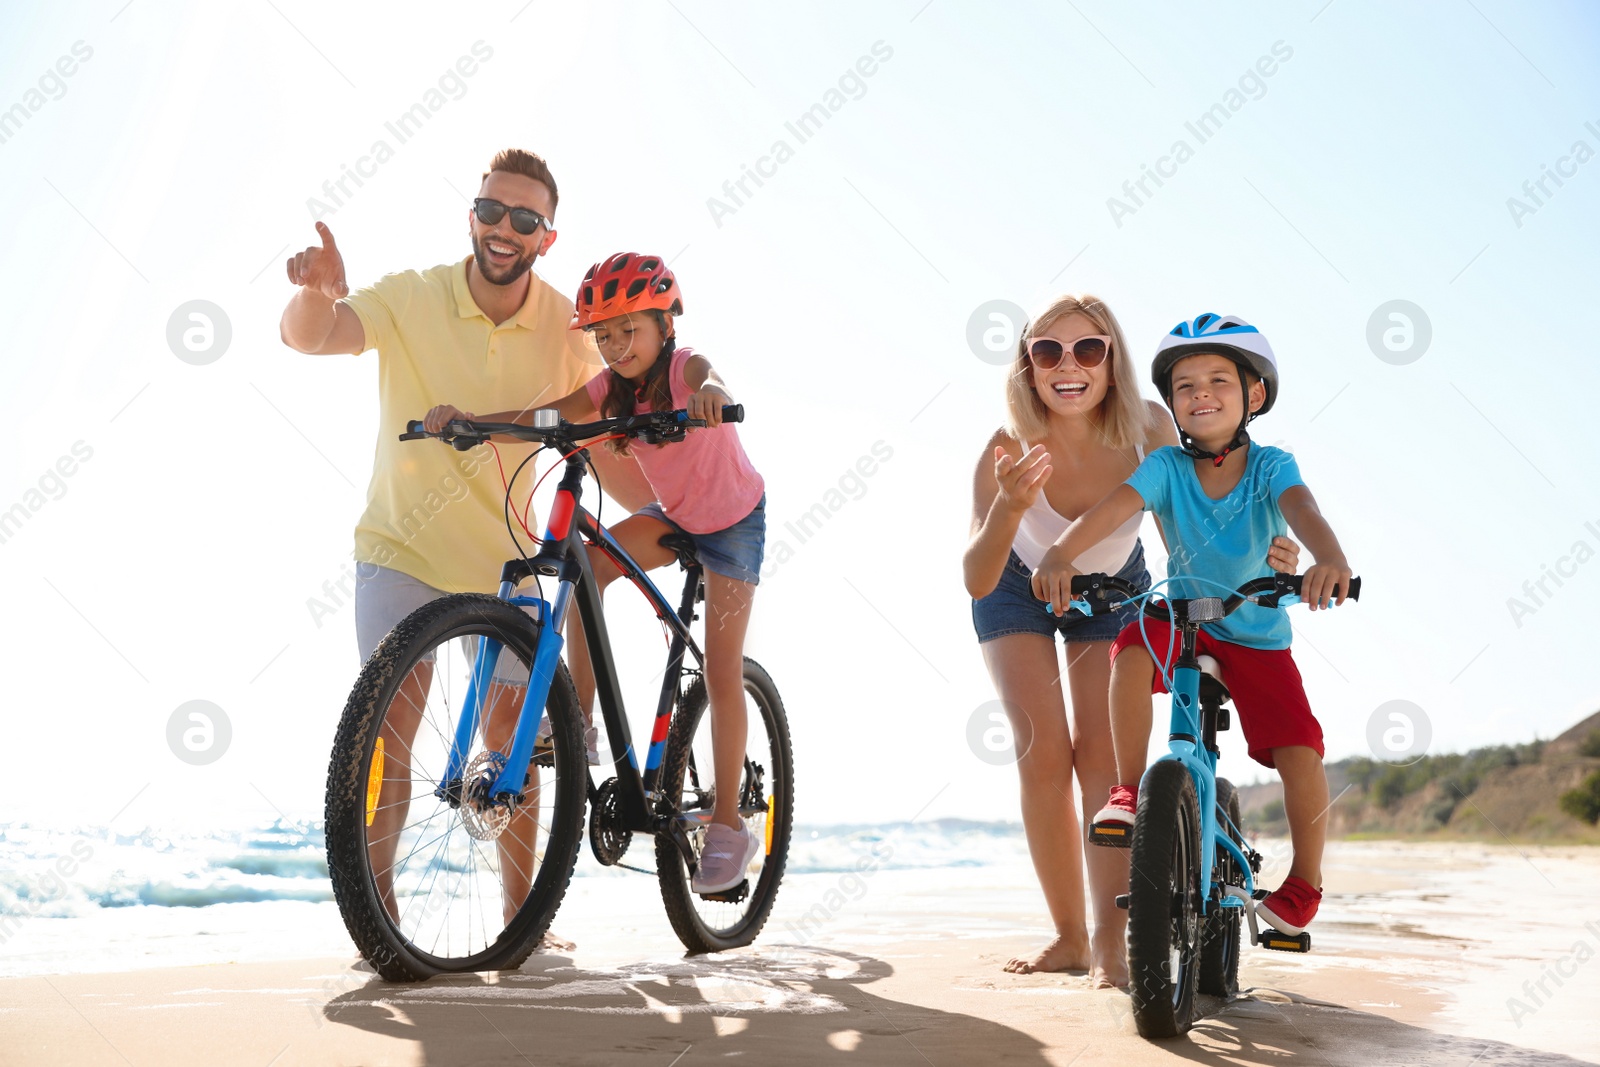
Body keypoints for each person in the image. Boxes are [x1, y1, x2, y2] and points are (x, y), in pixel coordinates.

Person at [279, 148, 653, 926]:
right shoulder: (414, 296)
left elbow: (628, 375)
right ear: (473, 215)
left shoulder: (565, 322)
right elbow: (315, 337)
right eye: (491, 211)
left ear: (547, 236)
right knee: (389, 732)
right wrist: (316, 292)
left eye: (525, 219)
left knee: (511, 740)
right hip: (401, 550)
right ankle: (379, 921)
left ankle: (525, 920)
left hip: (510, 560)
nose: (504, 228)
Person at [963, 295, 1299, 987]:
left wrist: (1271, 548)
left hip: (1111, 586)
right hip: (1014, 586)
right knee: (1042, 754)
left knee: (1103, 762)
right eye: (1047, 351)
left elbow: (1209, 492)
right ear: (1027, 365)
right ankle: (1067, 936)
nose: (1068, 366)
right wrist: (1009, 506)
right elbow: (976, 575)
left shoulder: (1146, 425)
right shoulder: (1006, 445)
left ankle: (1111, 942)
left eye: (1088, 349)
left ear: (1112, 358)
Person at [424, 252, 768, 895]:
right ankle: (578, 724)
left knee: (721, 669)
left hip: (734, 527)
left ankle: (728, 825)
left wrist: (715, 395)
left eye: (627, 330)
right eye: (602, 335)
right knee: (591, 571)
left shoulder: (684, 366)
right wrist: (480, 425)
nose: (614, 346)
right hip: (675, 516)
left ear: (665, 322)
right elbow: (553, 413)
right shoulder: (612, 389)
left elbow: (707, 371)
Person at [1039, 312, 1353, 939]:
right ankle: (1129, 793)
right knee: (1129, 648)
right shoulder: (1166, 469)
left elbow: (1303, 508)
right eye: (1184, 386)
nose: (1200, 394)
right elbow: (1112, 510)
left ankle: (1305, 884)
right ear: (1171, 403)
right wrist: (1061, 555)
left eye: (1218, 381)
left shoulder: (1270, 467)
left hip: (1254, 631)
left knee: (1300, 749)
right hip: (1181, 619)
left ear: (1253, 395)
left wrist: (1330, 557)